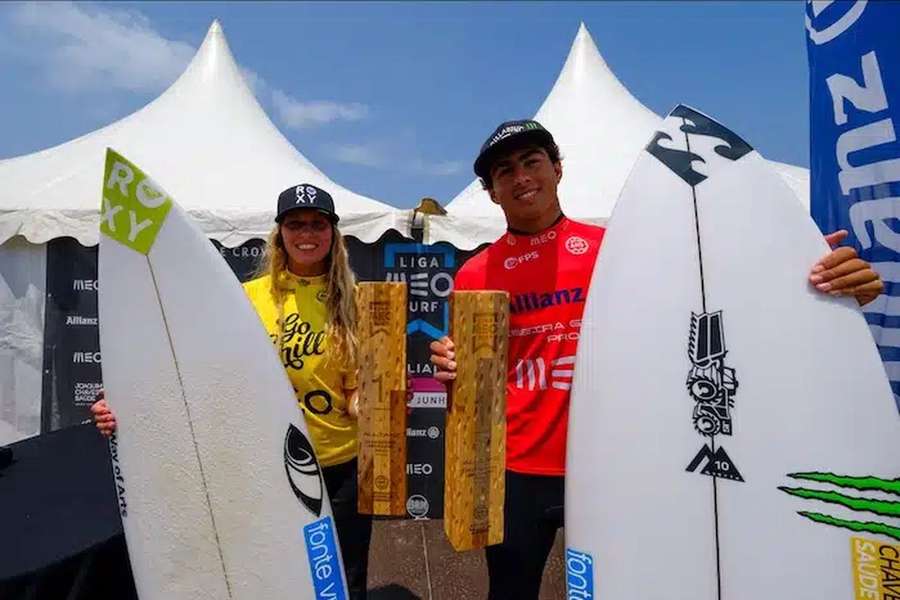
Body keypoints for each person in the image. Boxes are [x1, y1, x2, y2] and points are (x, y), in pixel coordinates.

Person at [429, 120, 884, 600]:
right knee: (510, 591)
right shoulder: (477, 272)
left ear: (557, 169)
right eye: (504, 171)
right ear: (491, 192)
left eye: (532, 162)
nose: (520, 176)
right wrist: (449, 366)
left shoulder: (617, 250)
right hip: (517, 467)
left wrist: (814, 281)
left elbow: (718, 301)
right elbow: (470, 378)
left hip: (615, 462)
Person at [92, 183, 373, 600]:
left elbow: (356, 390)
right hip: (265, 466)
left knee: (340, 583)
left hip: (340, 465)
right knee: (275, 579)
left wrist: (371, 403)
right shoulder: (246, 299)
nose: (307, 233)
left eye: (318, 223)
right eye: (295, 224)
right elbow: (188, 370)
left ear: (333, 234)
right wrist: (124, 404)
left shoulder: (356, 301)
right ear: (280, 234)